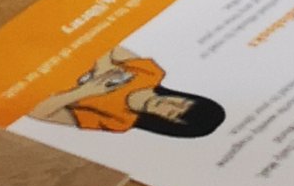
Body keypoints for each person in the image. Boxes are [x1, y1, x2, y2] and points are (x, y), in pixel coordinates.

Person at [33, 51, 226, 138]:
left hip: (35, 79)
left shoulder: (119, 122)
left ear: (166, 123)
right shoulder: (151, 74)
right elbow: (104, 40)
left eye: (172, 113)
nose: (168, 104)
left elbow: (38, 112)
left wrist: (86, 91)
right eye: (181, 103)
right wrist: (103, 64)